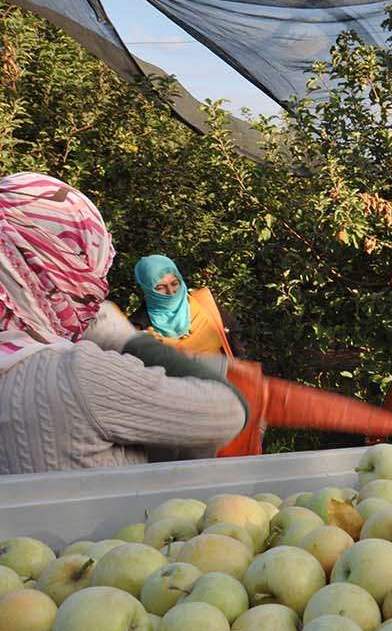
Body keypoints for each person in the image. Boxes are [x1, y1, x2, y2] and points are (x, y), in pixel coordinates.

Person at [0, 172, 247, 474]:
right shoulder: (75, 374)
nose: (99, 287)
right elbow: (229, 411)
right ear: (58, 272)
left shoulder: (206, 304)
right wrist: (126, 340)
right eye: (90, 266)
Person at [131, 254, 244, 357]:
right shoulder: (138, 327)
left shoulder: (205, 302)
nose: (171, 292)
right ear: (147, 289)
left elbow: (234, 335)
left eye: (175, 283)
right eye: (160, 287)